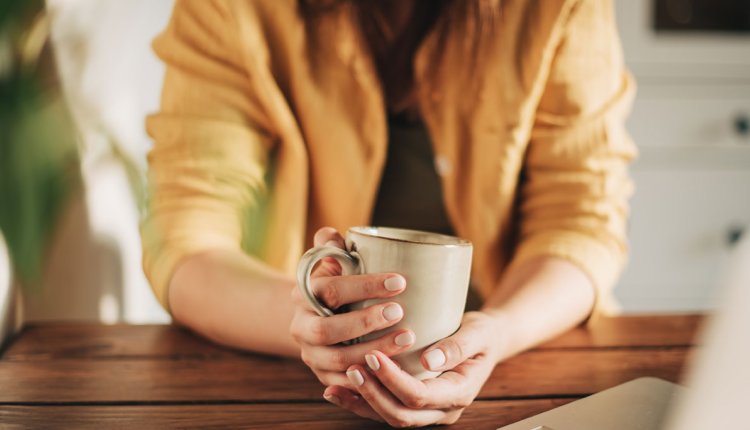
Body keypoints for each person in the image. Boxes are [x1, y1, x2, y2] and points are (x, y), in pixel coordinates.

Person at [142, 0, 636, 426]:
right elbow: (186, 236)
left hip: (524, 348)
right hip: (288, 369)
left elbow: (579, 222)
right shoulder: (234, 10)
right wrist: (313, 323)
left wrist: (500, 331)